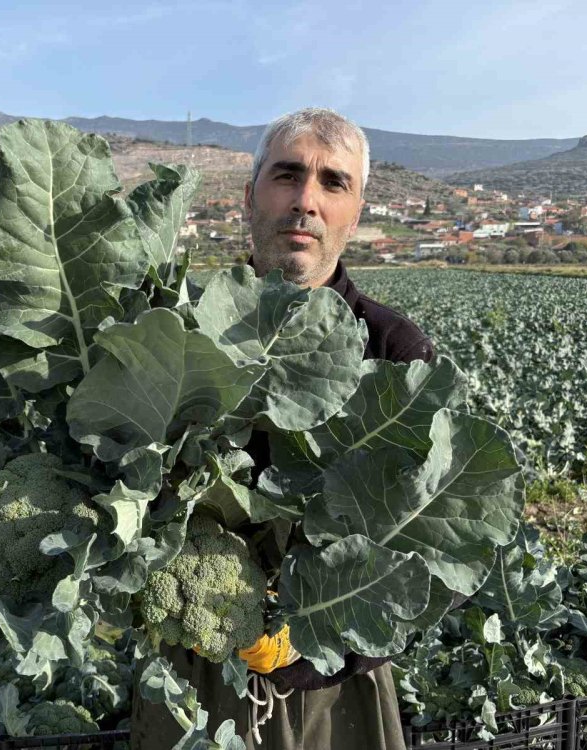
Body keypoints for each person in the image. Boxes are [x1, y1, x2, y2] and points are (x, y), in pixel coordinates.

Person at [130, 108, 433, 750]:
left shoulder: (394, 352)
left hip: (337, 694)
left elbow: (436, 558)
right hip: (189, 684)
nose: (306, 202)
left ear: (355, 211)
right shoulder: (175, 333)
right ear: (249, 195)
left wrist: (327, 641)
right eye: (287, 176)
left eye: (333, 184)